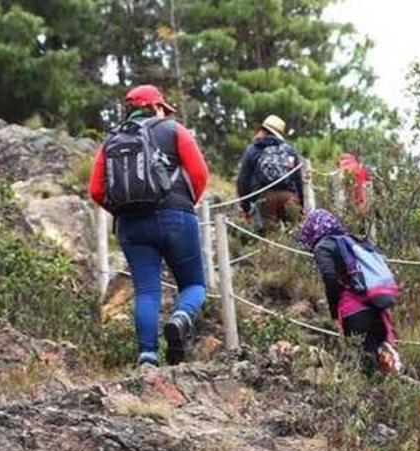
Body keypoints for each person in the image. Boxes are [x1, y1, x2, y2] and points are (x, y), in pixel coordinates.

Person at [89, 85, 210, 368]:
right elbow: (200, 174)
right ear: (156, 107)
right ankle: (180, 319)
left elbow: (96, 190)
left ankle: (147, 357)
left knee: (146, 290)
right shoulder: (174, 130)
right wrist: (184, 203)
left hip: (131, 225)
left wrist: (121, 209)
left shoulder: (110, 143)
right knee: (194, 284)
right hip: (176, 217)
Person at [297, 209, 401, 374]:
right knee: (381, 362)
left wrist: (333, 313)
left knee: (365, 365)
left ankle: (370, 395)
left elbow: (330, 277)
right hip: (377, 309)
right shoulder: (351, 241)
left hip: (354, 313)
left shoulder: (323, 246)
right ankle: (390, 390)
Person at [236, 115, 305, 232]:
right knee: (294, 234)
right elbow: (298, 179)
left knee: (268, 237)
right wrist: (301, 205)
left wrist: (246, 207)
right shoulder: (289, 150)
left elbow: (243, 181)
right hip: (289, 197)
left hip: (264, 197)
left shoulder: (253, 149)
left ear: (263, 130)